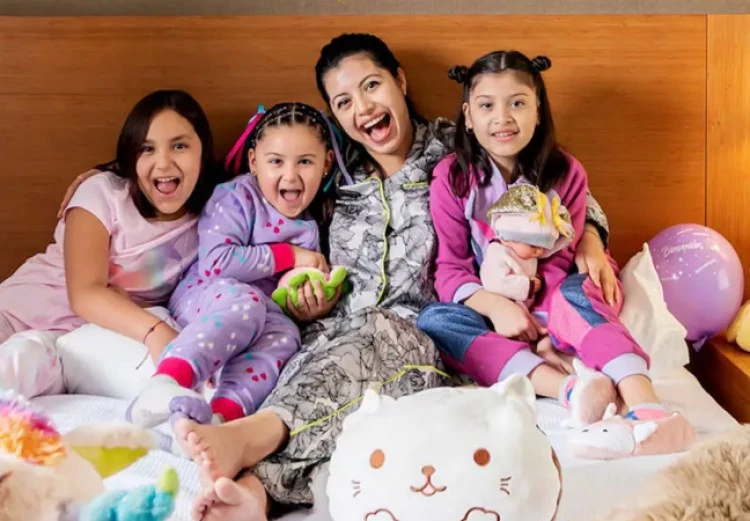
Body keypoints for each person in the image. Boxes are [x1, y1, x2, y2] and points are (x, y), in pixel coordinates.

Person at [59, 34, 617, 520]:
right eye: (343, 101)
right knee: (313, 377)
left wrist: (591, 235)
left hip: (424, 335)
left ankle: (250, 443)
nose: (362, 109)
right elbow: (259, 215)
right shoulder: (328, 173)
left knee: (372, 349)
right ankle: (255, 493)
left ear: (399, 81)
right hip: (333, 334)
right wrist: (305, 304)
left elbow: (553, 185)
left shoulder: (460, 149)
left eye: (372, 87)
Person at [417, 50, 695, 453]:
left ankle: (647, 407)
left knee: (576, 293)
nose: (502, 118)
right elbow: (450, 268)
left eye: (517, 103)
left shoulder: (566, 173)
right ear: (468, 116)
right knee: (436, 320)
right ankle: (571, 389)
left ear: (539, 111)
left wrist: (539, 319)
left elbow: (564, 259)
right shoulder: (452, 179)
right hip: (493, 306)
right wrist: (497, 307)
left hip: (557, 294)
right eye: (486, 105)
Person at [125, 102, 337, 430]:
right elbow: (216, 263)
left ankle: (221, 420)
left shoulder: (310, 228)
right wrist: (290, 256)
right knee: (247, 302)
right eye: (276, 161)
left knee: (286, 335)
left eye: (306, 162)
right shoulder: (236, 197)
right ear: (254, 161)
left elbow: (286, 291)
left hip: (263, 311)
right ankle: (167, 382)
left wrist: (307, 301)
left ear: (326, 165)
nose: (290, 175)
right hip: (207, 295)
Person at [0, 90, 223, 399]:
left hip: (75, 344)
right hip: (17, 315)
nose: (163, 163)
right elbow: (85, 293)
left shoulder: (217, 215)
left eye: (180, 146)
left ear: (203, 151)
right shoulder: (101, 194)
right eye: (147, 149)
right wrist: (157, 333)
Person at [480, 183, 574, 306]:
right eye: (533, 246)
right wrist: (527, 286)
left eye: (543, 247)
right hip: (501, 304)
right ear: (509, 239)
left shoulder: (525, 254)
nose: (539, 252)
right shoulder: (498, 252)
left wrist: (537, 281)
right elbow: (493, 281)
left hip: (524, 305)